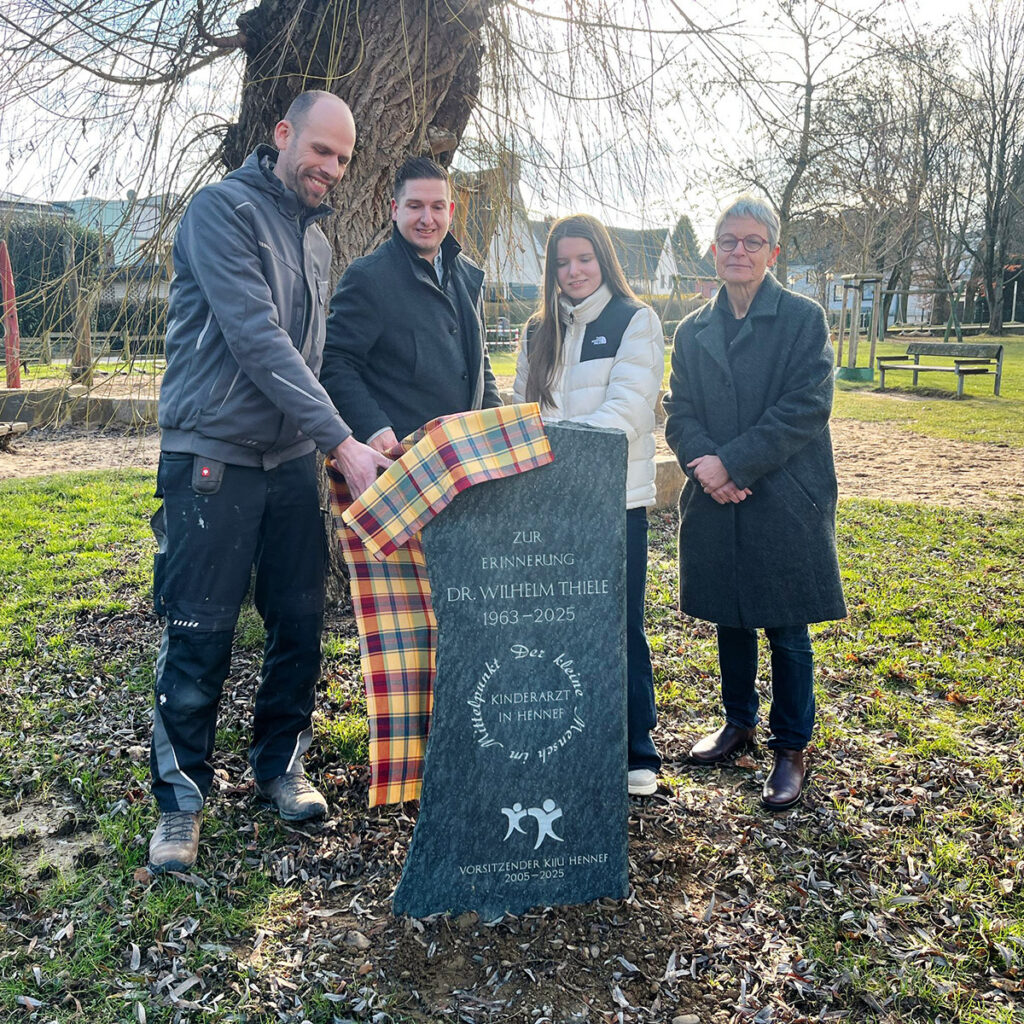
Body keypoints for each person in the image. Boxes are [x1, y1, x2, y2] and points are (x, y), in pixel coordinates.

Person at [148, 91, 390, 874]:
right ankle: (181, 799)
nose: (329, 169)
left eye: (342, 159)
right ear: (283, 135)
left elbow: (312, 361)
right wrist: (342, 442)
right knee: (200, 628)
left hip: (290, 462)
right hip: (212, 457)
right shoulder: (221, 212)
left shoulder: (317, 242)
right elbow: (257, 340)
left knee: (299, 618)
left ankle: (279, 765)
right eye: (319, 149)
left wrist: (358, 431)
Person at [663, 194, 846, 811]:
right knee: (730, 616)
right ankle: (738, 723)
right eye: (728, 242)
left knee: (786, 625)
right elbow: (679, 409)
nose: (739, 251)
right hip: (716, 494)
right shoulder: (692, 329)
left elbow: (805, 406)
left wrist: (732, 464)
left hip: (785, 495)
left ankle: (791, 746)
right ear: (713, 251)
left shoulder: (803, 319)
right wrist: (706, 466)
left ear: (773, 251)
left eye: (752, 242)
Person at [513, 214, 664, 798]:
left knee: (617, 626)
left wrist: (558, 456)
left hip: (613, 500)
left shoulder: (635, 320)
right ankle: (568, 738)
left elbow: (627, 412)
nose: (573, 272)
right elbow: (524, 411)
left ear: (604, 259)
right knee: (556, 627)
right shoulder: (536, 330)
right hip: (547, 505)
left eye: (584, 259)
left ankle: (636, 748)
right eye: (561, 262)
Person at [320, 156, 501, 449]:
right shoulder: (368, 278)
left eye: (437, 207)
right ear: (395, 210)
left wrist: (497, 429)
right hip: (402, 459)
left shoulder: (470, 276)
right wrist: (374, 428)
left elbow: (481, 365)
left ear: (450, 211)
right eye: (415, 206)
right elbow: (335, 363)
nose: (427, 219)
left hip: (468, 458)